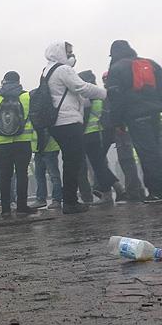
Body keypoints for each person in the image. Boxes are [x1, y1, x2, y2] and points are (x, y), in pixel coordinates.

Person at [42, 42, 107, 214]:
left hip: (57, 122)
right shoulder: (63, 70)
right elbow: (81, 87)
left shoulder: (48, 70)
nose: (71, 55)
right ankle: (70, 202)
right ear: (60, 53)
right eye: (69, 52)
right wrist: (105, 93)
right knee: (74, 161)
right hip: (68, 120)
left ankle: (70, 199)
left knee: (71, 161)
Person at [106, 40, 162, 202]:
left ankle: (158, 192)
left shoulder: (116, 70)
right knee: (157, 152)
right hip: (154, 115)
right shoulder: (150, 64)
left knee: (147, 154)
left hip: (135, 117)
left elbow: (115, 99)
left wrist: (116, 122)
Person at [0, 71, 36, 218]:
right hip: (23, 141)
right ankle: (22, 206)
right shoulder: (26, 97)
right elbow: (34, 117)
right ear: (19, 81)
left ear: (4, 81)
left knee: (5, 176)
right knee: (22, 174)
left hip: (3, 143)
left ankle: (5, 208)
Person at [78, 70, 126, 203]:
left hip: (91, 134)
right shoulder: (99, 93)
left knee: (98, 165)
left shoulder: (86, 96)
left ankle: (114, 189)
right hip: (103, 133)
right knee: (99, 164)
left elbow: (84, 118)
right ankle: (112, 191)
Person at [32, 130, 63, 210]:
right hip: (38, 149)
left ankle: (56, 199)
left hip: (49, 148)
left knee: (53, 175)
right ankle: (42, 199)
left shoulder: (45, 118)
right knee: (40, 175)